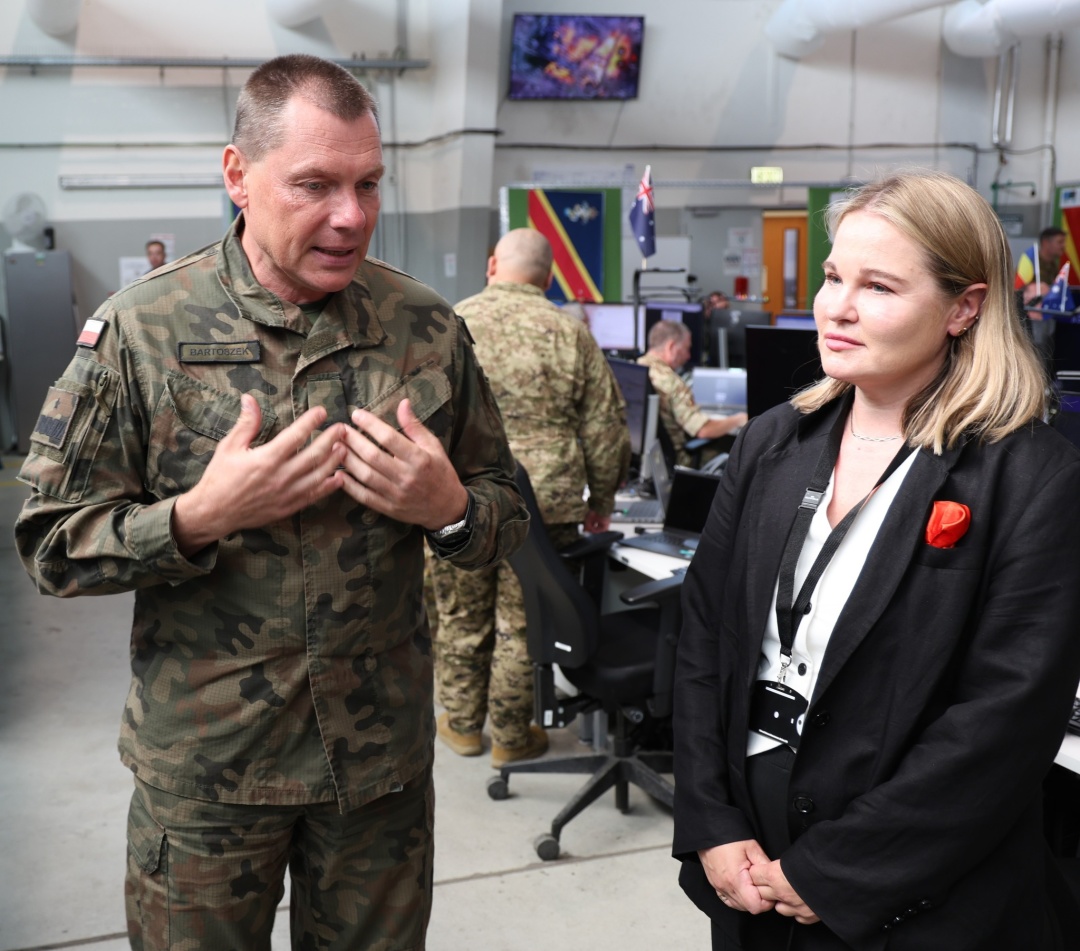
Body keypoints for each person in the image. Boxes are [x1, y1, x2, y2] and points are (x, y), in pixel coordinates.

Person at [14, 53, 527, 951]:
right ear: (237, 176)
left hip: (376, 774)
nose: (351, 215)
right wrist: (196, 518)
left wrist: (448, 507)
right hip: (211, 775)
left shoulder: (425, 327)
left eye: (368, 183)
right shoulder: (143, 331)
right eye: (315, 184)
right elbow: (51, 545)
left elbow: (507, 508)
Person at [672, 169, 1080, 950]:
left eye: (879, 286)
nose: (837, 307)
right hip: (749, 868)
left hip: (910, 894)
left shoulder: (1030, 477)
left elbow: (1003, 723)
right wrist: (711, 822)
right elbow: (702, 640)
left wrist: (837, 870)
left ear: (964, 308)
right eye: (833, 277)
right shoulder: (773, 442)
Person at [429, 228, 631, 767]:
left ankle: (463, 726)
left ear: (493, 265)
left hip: (459, 499)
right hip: (546, 503)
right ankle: (512, 736)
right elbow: (606, 428)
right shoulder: (570, 333)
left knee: (461, 615)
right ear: (549, 277)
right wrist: (602, 500)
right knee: (522, 623)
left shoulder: (449, 321)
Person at [638, 319, 747, 466]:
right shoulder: (671, 382)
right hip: (678, 462)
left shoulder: (637, 368)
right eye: (686, 349)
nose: (688, 356)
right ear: (671, 347)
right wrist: (738, 419)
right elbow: (703, 430)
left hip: (647, 459)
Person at [1015, 225, 1066, 293]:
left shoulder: (1053, 265)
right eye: (1060, 242)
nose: (1064, 245)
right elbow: (1018, 288)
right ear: (1046, 243)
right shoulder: (1031, 262)